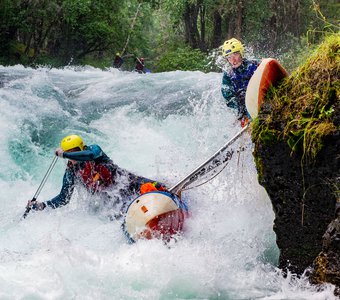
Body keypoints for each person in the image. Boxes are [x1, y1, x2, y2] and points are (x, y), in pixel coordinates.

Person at [26, 134, 166, 217]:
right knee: (122, 213)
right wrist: (42, 205)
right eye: (70, 154)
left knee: (157, 187)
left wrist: (64, 154)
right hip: (114, 202)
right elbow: (63, 198)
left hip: (129, 183)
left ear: (81, 148)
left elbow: (90, 155)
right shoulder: (71, 172)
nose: (73, 157)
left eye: (75, 152)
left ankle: (167, 194)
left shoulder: (94, 151)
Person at [221, 38, 259, 127]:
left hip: (257, 100)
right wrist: (241, 110)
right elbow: (228, 98)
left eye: (235, 55)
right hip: (242, 108)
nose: (233, 61)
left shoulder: (253, 65)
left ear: (241, 54)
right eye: (229, 57)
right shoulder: (228, 75)